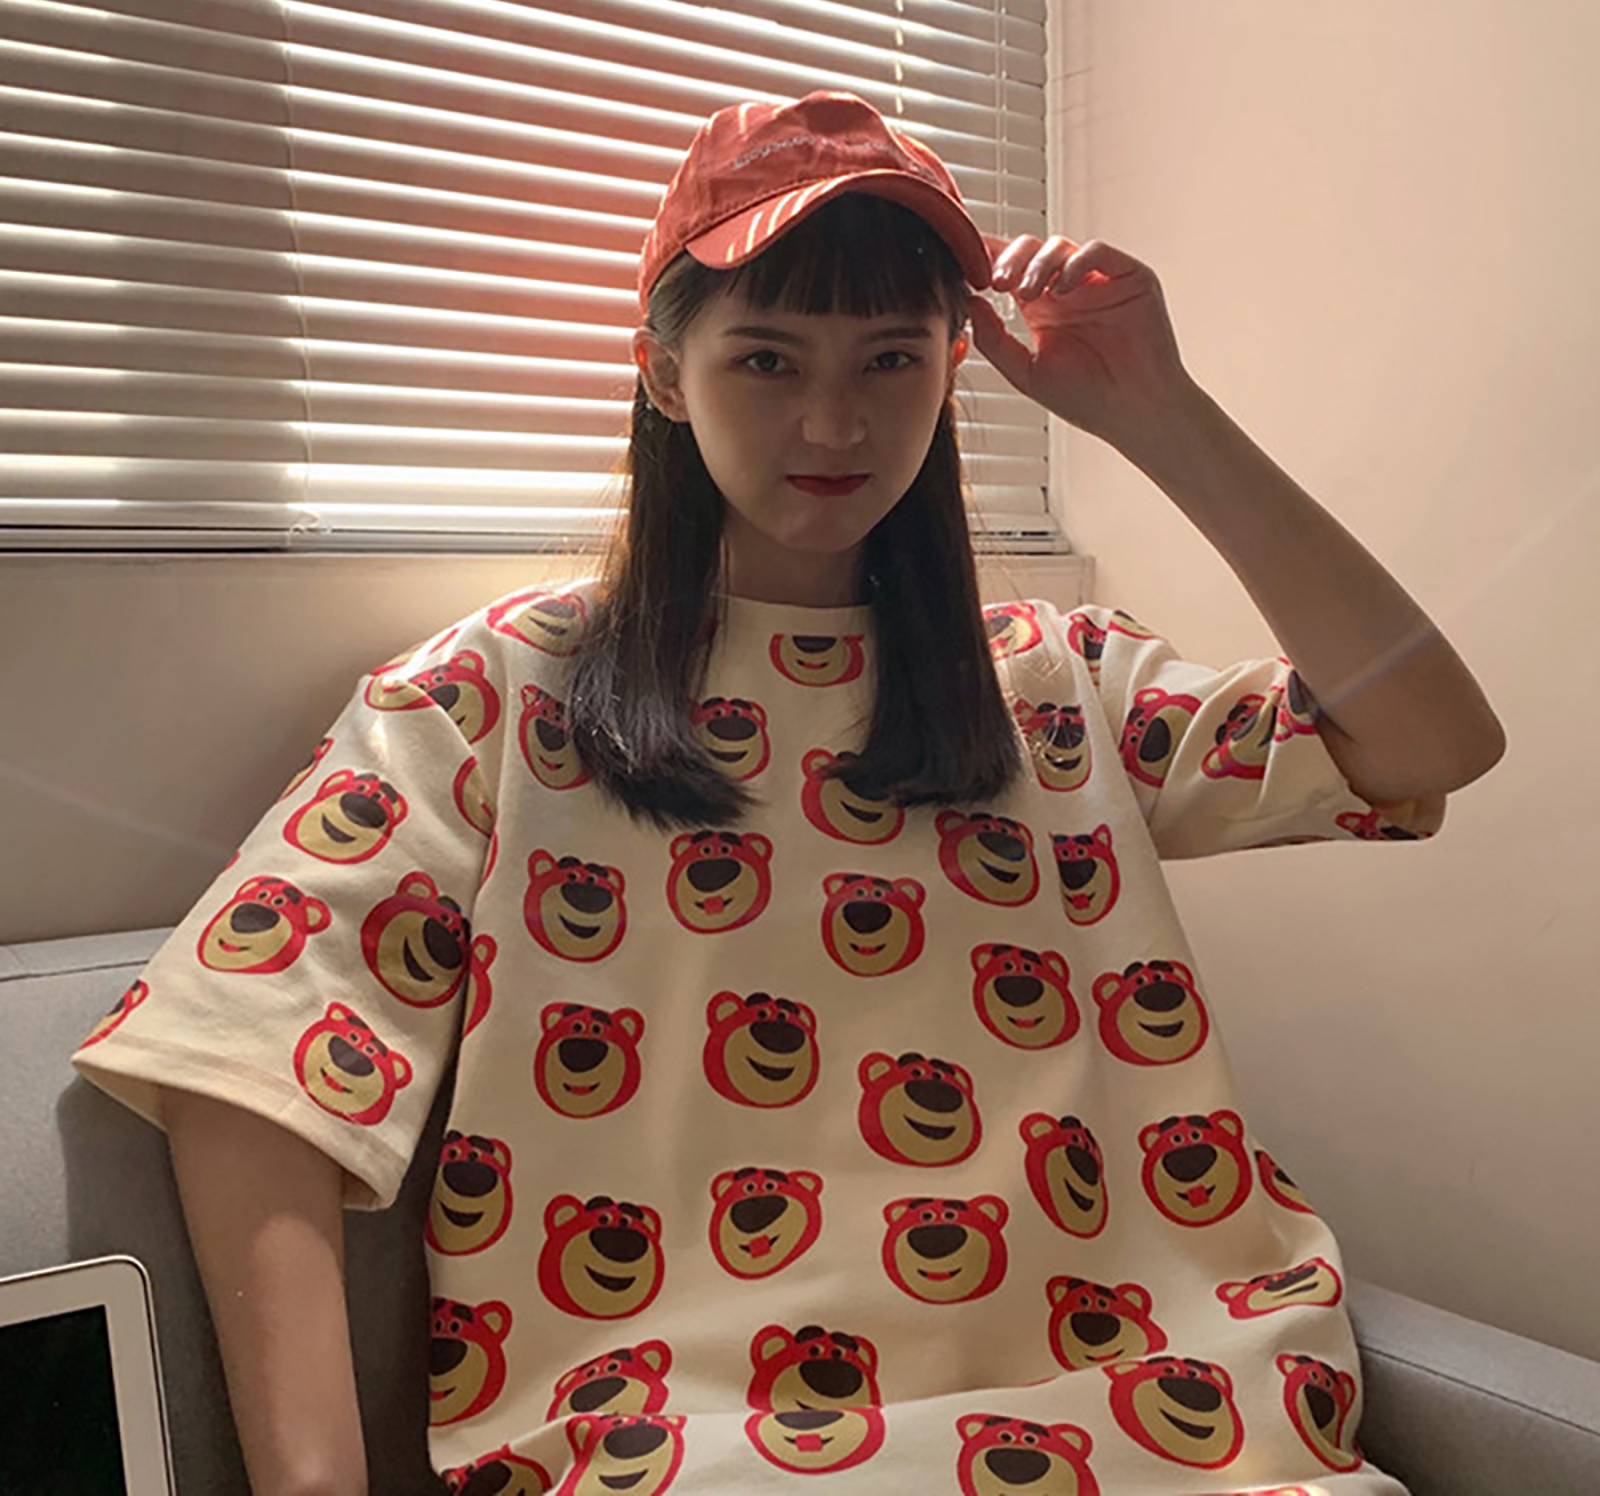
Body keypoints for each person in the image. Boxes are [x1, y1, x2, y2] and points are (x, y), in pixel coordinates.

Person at [71, 90, 1504, 1496]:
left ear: (952, 369)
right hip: (688, 1452)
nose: (834, 419)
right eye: (766, 359)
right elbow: (249, 1053)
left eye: (892, 359)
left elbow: (1430, 744)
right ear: (662, 372)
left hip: (1187, 1440)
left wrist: (1160, 416)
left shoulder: (1056, 683)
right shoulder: (493, 696)